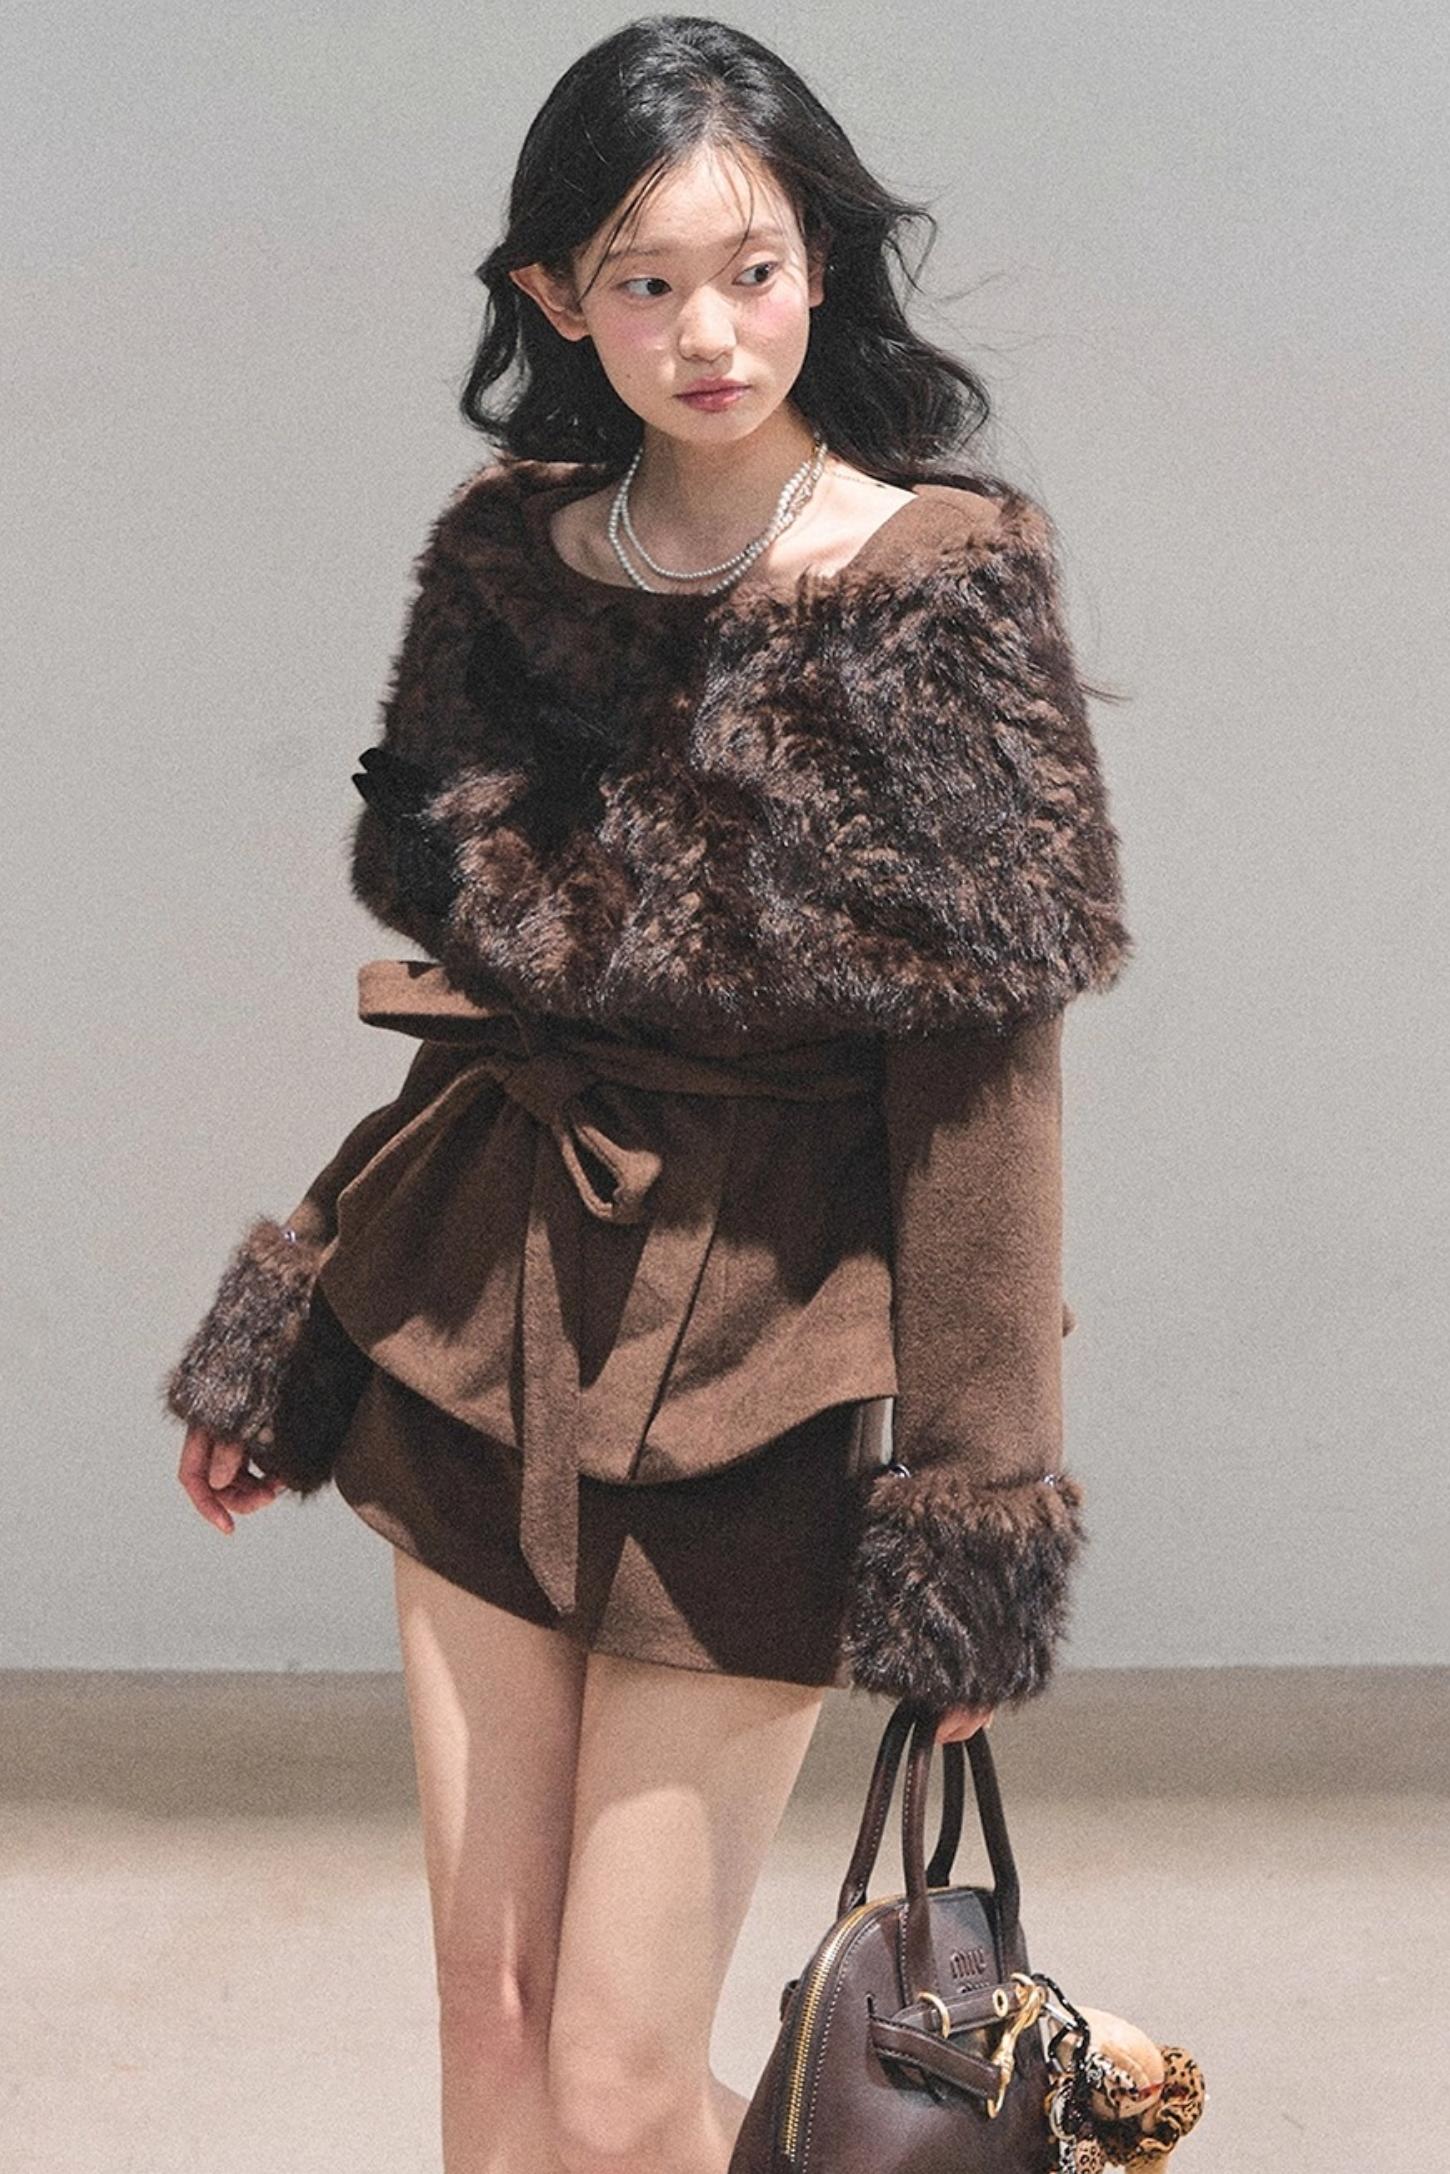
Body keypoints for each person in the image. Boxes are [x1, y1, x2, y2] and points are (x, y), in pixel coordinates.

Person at [160, 18, 1131, 2174]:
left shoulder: (932, 586)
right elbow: (489, 1026)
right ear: (552, 296)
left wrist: (971, 1514)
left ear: (821, 266)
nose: (708, 332)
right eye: (644, 280)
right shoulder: (509, 561)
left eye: (752, 270)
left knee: (616, 2088)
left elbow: (980, 1093)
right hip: (479, 1322)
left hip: (760, 1367)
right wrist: (301, 1306)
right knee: (491, 2025)